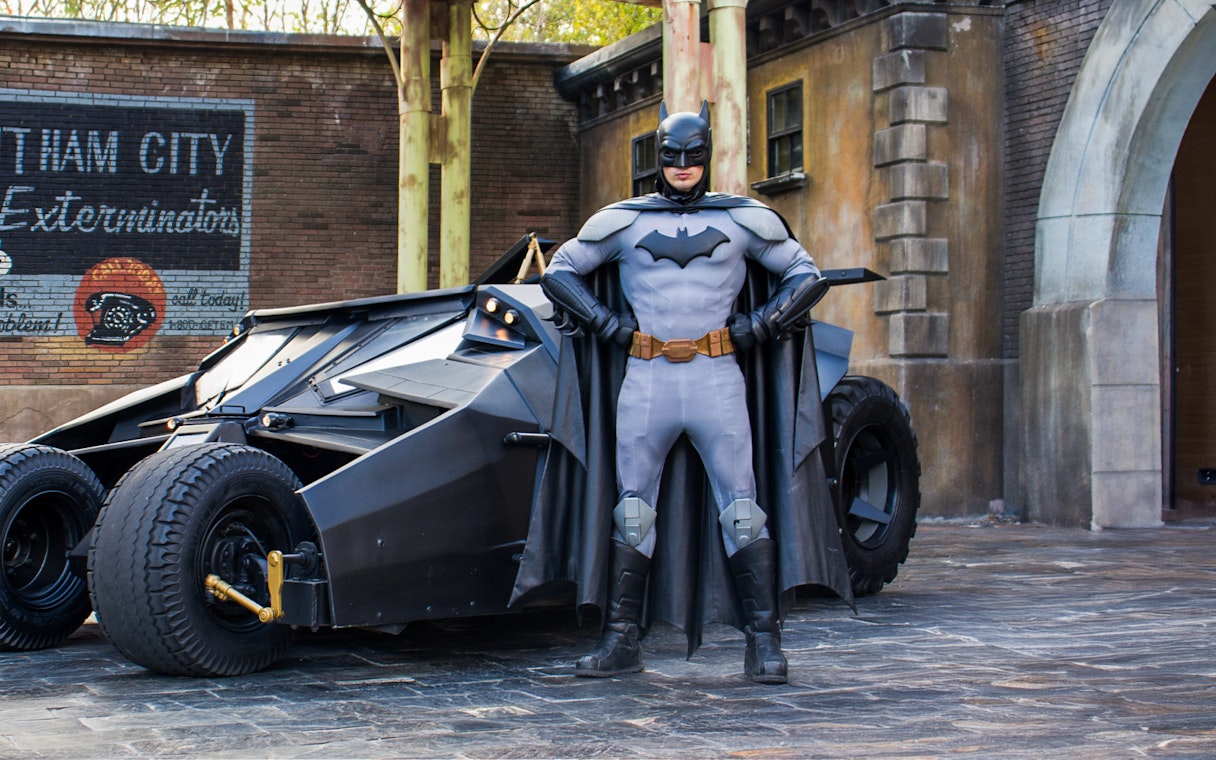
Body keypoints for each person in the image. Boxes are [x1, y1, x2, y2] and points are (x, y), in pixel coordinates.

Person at [510, 102, 852, 685]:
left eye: (695, 155)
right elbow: (559, 272)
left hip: (717, 375)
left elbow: (805, 275)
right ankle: (621, 640)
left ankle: (763, 642)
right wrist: (608, 325)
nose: (684, 166)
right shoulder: (625, 222)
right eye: (673, 156)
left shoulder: (743, 219)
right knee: (633, 513)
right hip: (647, 379)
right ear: (657, 159)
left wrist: (761, 325)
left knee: (742, 511)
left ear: (709, 152)